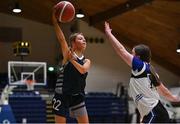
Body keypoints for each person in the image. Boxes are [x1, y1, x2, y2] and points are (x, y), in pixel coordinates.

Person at [104, 22, 180, 123]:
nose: (131, 56)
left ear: (138, 58)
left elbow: (121, 50)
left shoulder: (140, 66)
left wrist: (109, 34)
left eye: (132, 54)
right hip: (153, 112)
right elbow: (163, 90)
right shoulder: (150, 70)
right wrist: (174, 98)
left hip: (154, 112)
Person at [52, 8, 91, 123]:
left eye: (84, 39)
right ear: (73, 43)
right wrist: (55, 21)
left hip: (77, 96)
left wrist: (72, 61)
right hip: (62, 95)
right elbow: (61, 38)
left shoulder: (86, 61)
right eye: (80, 39)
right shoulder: (67, 54)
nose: (84, 41)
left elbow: (83, 70)